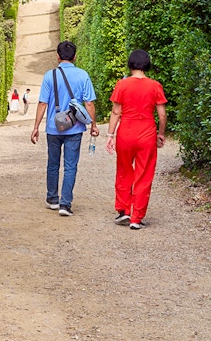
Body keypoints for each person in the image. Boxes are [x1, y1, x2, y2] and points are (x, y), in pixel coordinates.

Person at [31, 41, 99, 216]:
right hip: (74, 127)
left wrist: (36, 127)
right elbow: (89, 103)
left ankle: (52, 198)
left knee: (52, 164)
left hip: (54, 127)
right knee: (70, 166)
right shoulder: (82, 75)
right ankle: (65, 204)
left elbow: (42, 103)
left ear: (57, 56)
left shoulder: (49, 75)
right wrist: (93, 124)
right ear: (75, 56)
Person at [105, 49, 167, 230]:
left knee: (124, 171)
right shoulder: (155, 86)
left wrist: (110, 135)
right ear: (147, 65)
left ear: (130, 64)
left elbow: (116, 112)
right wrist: (161, 133)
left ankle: (123, 210)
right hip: (147, 133)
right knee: (144, 174)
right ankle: (136, 217)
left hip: (126, 132)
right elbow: (162, 114)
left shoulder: (122, 85)